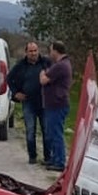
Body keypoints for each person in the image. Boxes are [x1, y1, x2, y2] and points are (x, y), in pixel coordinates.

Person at [8, 41, 50, 164]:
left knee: (46, 131)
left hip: (44, 102)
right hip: (28, 102)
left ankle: (48, 158)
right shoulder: (20, 65)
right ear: (26, 52)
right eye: (30, 51)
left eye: (35, 50)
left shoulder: (46, 63)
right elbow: (9, 79)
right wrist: (16, 93)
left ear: (38, 51)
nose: (33, 53)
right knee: (30, 130)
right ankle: (32, 157)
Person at [39, 40, 72, 171]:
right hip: (54, 104)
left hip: (57, 104)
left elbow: (43, 80)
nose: (50, 53)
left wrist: (42, 73)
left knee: (56, 133)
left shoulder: (60, 66)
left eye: (51, 50)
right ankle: (54, 158)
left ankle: (59, 161)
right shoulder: (62, 64)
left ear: (56, 51)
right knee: (51, 133)